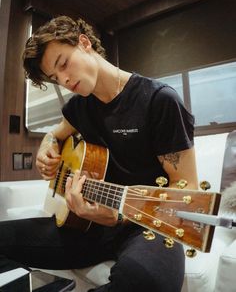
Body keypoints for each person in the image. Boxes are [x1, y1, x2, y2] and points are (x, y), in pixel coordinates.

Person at [0, 15, 198, 292]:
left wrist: (119, 215)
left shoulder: (158, 100)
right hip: (86, 226)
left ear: (84, 43)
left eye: (63, 64)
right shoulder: (79, 107)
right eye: (56, 78)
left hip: (147, 226)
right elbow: (54, 135)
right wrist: (45, 148)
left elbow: (187, 189)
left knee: (144, 283)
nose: (65, 80)